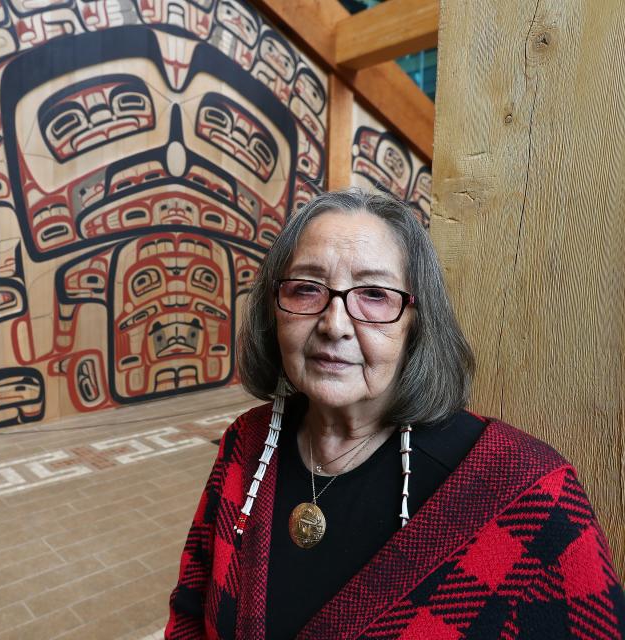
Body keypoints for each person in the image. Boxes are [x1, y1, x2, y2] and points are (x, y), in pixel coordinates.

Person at [165, 189, 625, 639]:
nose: (334, 324)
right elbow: (190, 607)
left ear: (417, 321)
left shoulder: (529, 492)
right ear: (274, 308)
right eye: (306, 289)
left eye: (375, 295)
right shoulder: (247, 443)